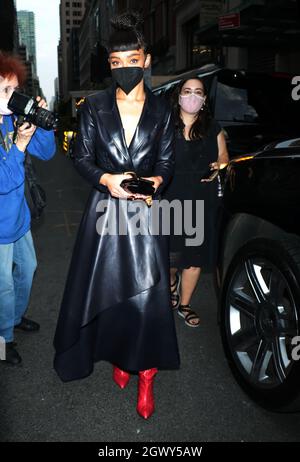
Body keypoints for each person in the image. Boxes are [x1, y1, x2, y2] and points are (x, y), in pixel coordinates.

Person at [53, 12, 180, 420]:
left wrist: (156, 183)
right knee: (107, 292)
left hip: (145, 215)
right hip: (105, 212)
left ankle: (145, 374)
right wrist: (107, 179)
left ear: (146, 61)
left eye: (132, 60)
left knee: (147, 296)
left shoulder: (163, 110)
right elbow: (81, 157)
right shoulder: (94, 107)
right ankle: (121, 359)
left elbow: (166, 162)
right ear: (110, 65)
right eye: (115, 62)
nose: (124, 68)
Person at [0, 52, 56, 365]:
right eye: (5, 90)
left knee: (28, 269)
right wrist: (19, 145)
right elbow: (5, 180)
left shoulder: (12, 120)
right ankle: (3, 340)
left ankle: (15, 317)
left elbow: (46, 153)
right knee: (3, 287)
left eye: (15, 89)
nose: (13, 96)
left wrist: (41, 124)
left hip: (19, 219)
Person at [164, 77, 229, 327]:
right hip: (169, 198)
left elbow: (224, 157)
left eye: (198, 92)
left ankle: (185, 304)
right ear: (178, 95)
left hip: (202, 199)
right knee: (169, 256)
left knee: (194, 258)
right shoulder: (165, 125)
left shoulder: (213, 128)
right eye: (187, 91)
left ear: (204, 99)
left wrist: (219, 165)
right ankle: (171, 283)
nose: (192, 96)